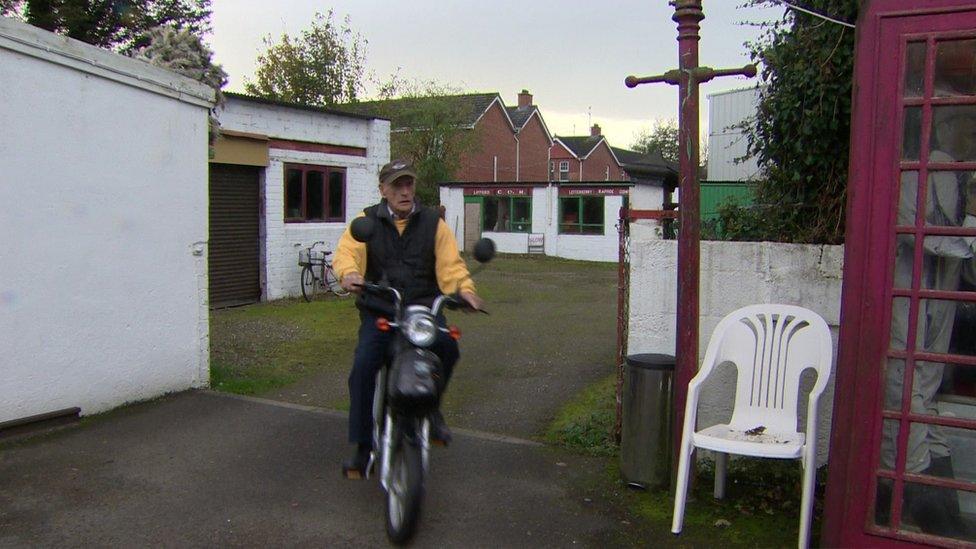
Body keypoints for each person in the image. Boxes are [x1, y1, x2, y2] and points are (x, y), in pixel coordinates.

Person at [332, 159, 483, 478]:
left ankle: (431, 411)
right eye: (396, 185)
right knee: (363, 368)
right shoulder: (367, 220)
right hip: (382, 311)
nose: (404, 191)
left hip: (422, 312)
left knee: (448, 348)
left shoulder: (433, 223)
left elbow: (451, 267)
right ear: (383, 190)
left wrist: (464, 291)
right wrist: (349, 275)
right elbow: (348, 252)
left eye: (409, 184)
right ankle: (362, 447)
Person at [882, 106, 976, 536]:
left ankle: (940, 516)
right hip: (908, 307)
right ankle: (904, 510)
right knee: (907, 397)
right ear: (945, 125)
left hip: (940, 312)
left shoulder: (961, 175)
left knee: (925, 399)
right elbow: (923, 234)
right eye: (968, 124)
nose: (973, 134)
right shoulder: (917, 173)